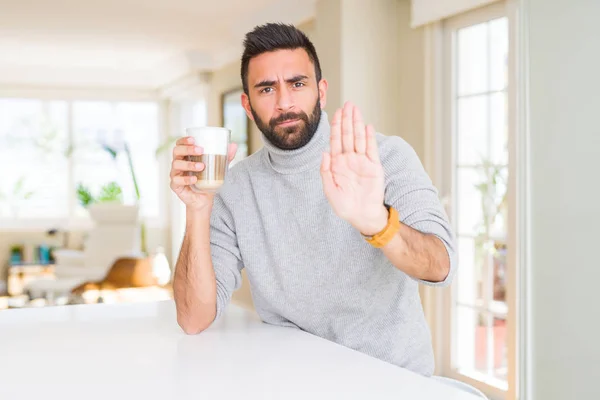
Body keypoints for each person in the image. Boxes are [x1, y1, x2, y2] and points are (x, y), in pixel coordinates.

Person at [170, 23, 456, 376]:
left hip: (392, 379)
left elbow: (440, 267)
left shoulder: (386, 157)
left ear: (321, 91)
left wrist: (377, 222)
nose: (284, 102)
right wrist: (198, 210)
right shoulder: (234, 188)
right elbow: (193, 318)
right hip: (294, 381)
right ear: (247, 104)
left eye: (298, 83)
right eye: (266, 88)